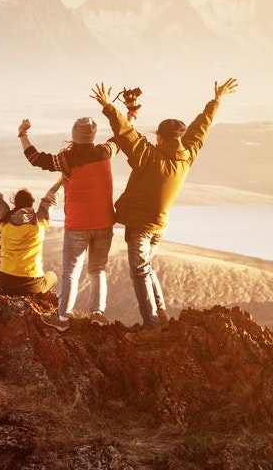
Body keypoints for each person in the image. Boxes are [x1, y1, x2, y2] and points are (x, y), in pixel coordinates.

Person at [92, 78, 239, 332]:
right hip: (160, 226)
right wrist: (216, 101)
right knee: (146, 268)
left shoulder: (149, 156)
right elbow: (201, 128)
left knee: (139, 272)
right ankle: (160, 312)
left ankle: (151, 324)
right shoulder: (187, 155)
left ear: (159, 137)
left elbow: (126, 134)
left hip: (141, 226)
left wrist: (108, 106)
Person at [21, 116, 119, 332]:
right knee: (97, 269)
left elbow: (35, 158)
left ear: (74, 135)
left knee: (70, 272)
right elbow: (120, 137)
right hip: (104, 222)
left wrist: (23, 134)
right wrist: (129, 116)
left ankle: (63, 318)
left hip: (77, 225)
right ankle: (97, 314)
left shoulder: (66, 159)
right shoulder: (105, 151)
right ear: (92, 135)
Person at [0, 156, 62, 295]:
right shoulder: (39, 220)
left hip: (6, 281)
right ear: (31, 204)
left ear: (15, 203)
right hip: (32, 284)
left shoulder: (5, 218)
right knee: (52, 276)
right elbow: (51, 197)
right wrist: (64, 178)